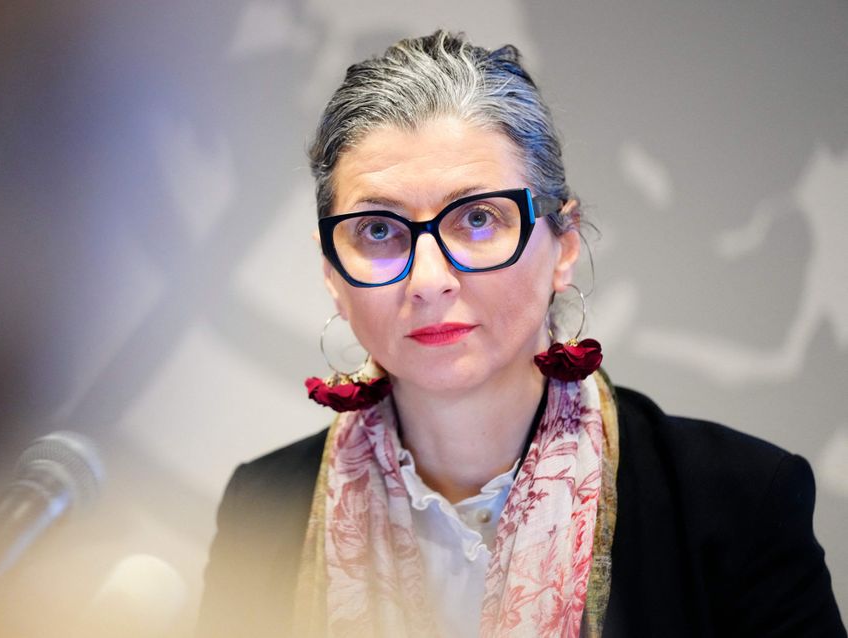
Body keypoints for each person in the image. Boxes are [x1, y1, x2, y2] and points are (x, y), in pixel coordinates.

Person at [197, 31, 845, 638]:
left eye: (478, 219)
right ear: (332, 275)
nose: (428, 280)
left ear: (564, 246)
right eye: (378, 230)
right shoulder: (263, 510)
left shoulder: (738, 502)